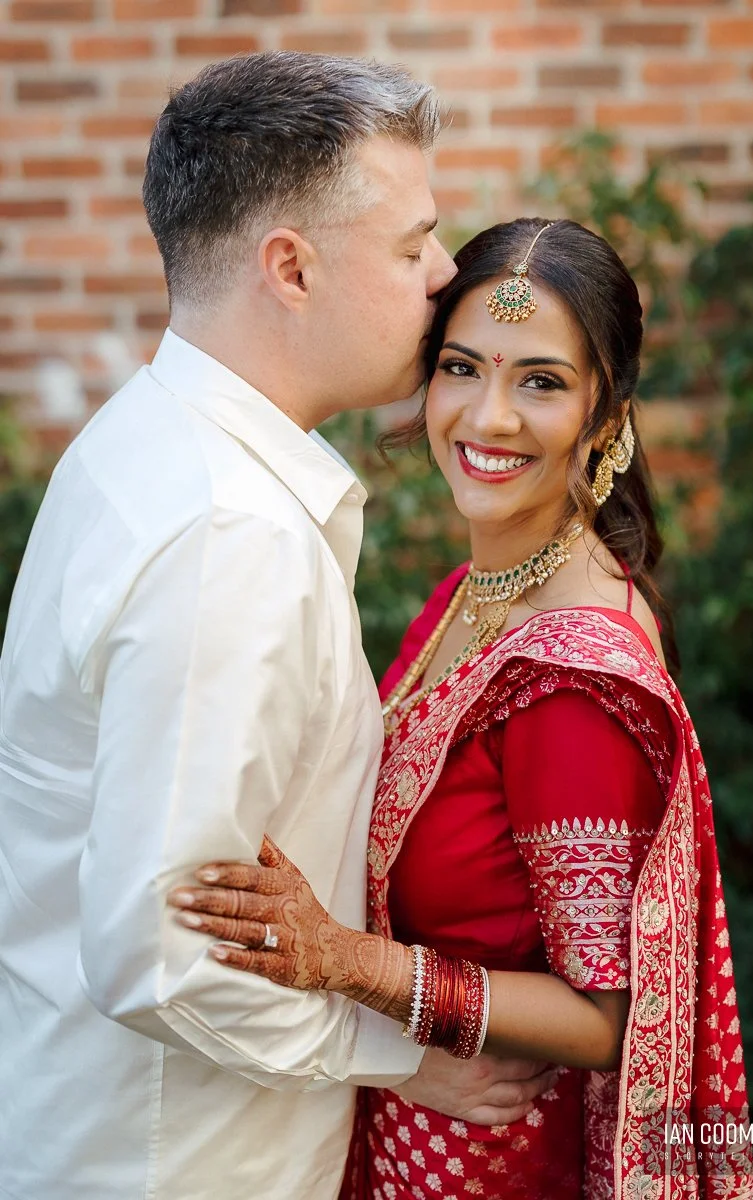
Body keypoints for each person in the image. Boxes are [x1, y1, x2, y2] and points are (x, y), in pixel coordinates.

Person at [0, 55, 553, 1200]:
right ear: (290, 269)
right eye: (410, 248)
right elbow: (159, 956)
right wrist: (405, 1056)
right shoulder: (226, 535)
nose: (445, 275)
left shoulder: (139, 438)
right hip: (173, 1167)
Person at [170, 217, 753, 1198]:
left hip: (491, 1161)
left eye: (539, 380)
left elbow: (607, 1015)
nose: (487, 418)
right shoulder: (473, 593)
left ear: (604, 416)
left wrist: (344, 962)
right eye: (460, 367)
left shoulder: (573, 681)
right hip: (406, 1118)